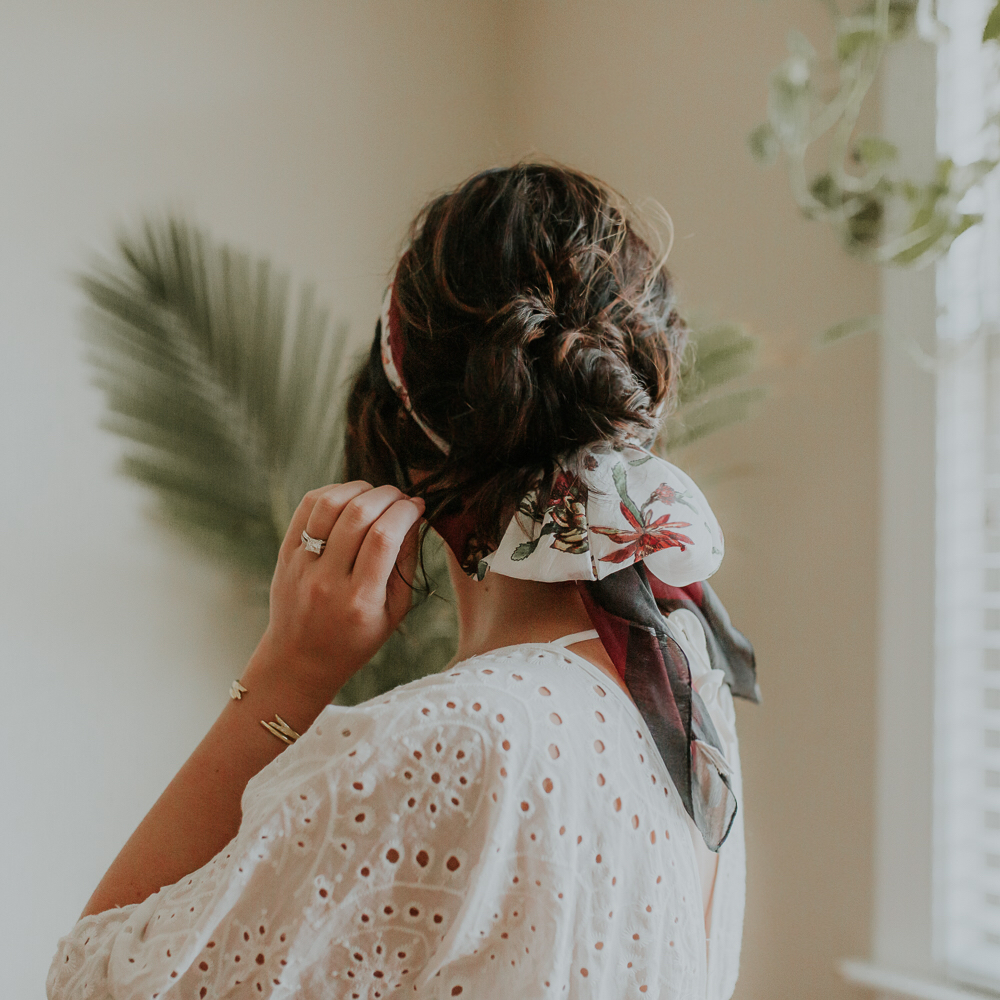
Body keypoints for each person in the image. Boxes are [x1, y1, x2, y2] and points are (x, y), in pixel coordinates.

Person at [48, 164, 758, 1000]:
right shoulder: (682, 684)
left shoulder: (452, 741)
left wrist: (286, 674)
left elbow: (89, 981)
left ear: (402, 440)